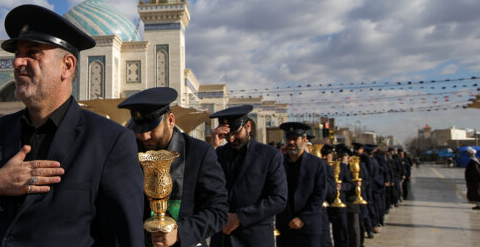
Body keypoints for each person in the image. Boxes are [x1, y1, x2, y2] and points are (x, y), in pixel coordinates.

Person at [0, 4, 145, 247]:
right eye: (17, 54)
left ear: (67, 66)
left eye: (33, 53)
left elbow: (126, 238)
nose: (18, 62)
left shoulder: (107, 141)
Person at [118, 87, 228, 247]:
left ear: (170, 120)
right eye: (139, 130)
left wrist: (180, 233)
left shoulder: (199, 153)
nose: (144, 136)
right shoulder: (129, 153)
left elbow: (218, 211)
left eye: (151, 129)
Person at [207, 105, 287, 247]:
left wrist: (240, 217)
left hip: (254, 237)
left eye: (235, 133)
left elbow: (278, 199)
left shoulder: (269, 156)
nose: (231, 139)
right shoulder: (217, 154)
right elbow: (203, 186)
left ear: (248, 126)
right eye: (226, 134)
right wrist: (212, 148)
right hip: (222, 238)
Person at [275, 122, 326, 247]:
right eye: (288, 139)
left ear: (304, 140)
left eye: (295, 139)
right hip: (285, 226)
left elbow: (319, 195)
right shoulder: (278, 163)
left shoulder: (316, 164)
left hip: (308, 228)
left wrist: (303, 218)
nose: (291, 142)